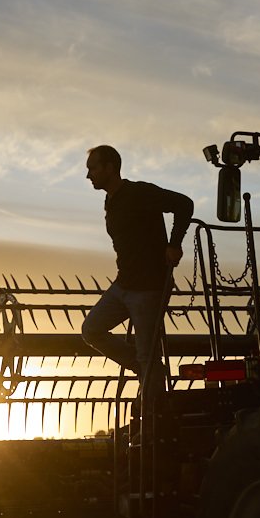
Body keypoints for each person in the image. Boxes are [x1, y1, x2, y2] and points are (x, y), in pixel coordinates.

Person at [80, 144, 194, 400]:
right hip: (124, 285)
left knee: (147, 354)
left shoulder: (139, 193)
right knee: (91, 330)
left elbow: (184, 204)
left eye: (93, 169)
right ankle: (147, 370)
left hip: (149, 289)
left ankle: (153, 418)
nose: (89, 176)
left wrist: (174, 244)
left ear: (110, 167)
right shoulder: (111, 201)